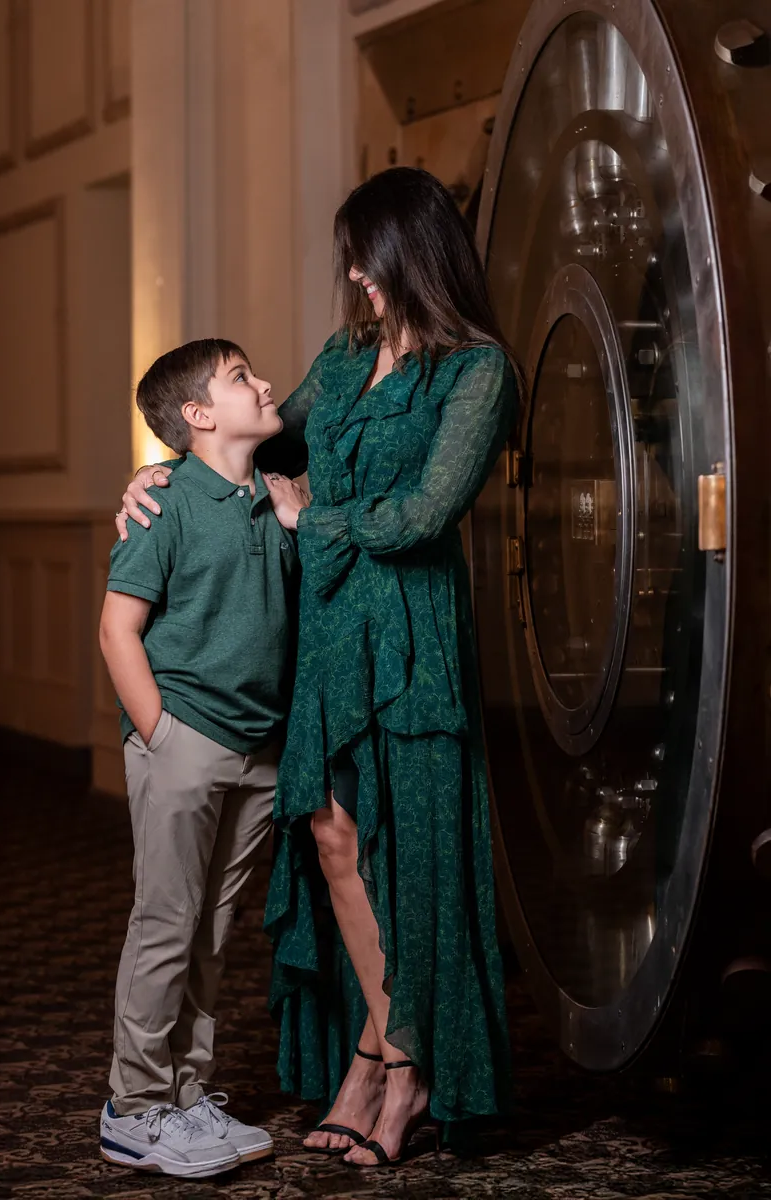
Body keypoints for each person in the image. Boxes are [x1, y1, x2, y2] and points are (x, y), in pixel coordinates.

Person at [118, 166, 519, 1169]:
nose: (351, 273)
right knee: (335, 843)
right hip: (326, 632)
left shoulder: (476, 371)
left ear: (411, 254)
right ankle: (374, 1045)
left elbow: (426, 515)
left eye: (364, 256)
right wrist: (154, 470)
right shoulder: (343, 358)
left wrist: (314, 515)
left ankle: (402, 1064)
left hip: (411, 634)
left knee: (413, 855)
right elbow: (242, 438)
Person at [100, 338, 306, 1179]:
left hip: (259, 747)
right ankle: (134, 1107)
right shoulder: (165, 504)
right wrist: (160, 734)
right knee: (165, 925)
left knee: (211, 932)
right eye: (240, 378)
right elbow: (118, 630)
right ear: (197, 415)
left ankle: (186, 1096)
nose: (263, 383)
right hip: (185, 740)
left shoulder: (275, 493)